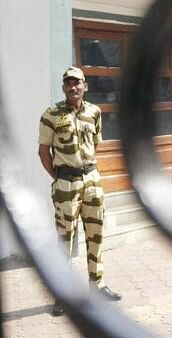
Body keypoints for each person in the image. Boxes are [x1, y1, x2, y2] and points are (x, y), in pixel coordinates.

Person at [38, 66, 122, 316]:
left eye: (77, 83)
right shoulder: (51, 114)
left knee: (96, 236)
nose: (73, 87)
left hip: (92, 180)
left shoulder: (94, 112)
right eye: (68, 83)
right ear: (63, 87)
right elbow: (43, 152)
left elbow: (95, 143)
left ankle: (97, 285)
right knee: (64, 240)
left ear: (85, 85)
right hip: (66, 184)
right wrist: (60, 178)